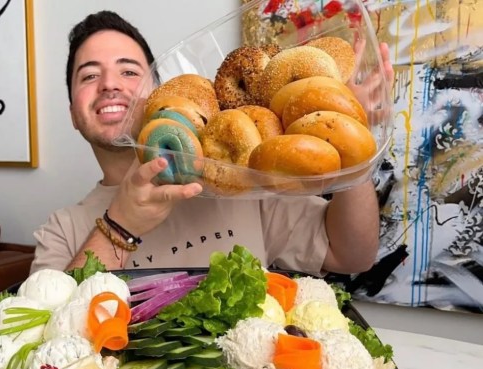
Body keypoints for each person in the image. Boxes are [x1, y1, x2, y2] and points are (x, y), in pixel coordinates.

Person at [31, 10, 394, 275]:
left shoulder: (240, 183)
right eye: (89, 76)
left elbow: (352, 256)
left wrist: (351, 137)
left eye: (128, 71)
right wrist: (119, 226)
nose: (110, 84)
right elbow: (41, 337)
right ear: (73, 112)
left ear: (160, 92)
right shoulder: (62, 230)